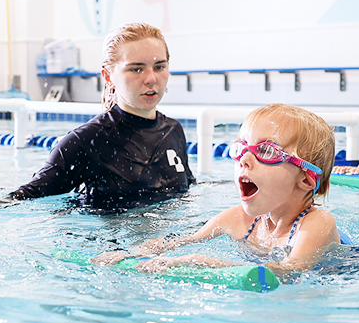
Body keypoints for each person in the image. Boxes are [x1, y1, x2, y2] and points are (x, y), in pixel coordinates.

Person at [96, 103, 341, 278]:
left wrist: (201, 262)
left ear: (306, 181)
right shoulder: (237, 219)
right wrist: (130, 255)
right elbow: (177, 241)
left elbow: (289, 272)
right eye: (242, 147)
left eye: (266, 151)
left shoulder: (317, 223)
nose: (244, 159)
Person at [0, 23, 194, 211]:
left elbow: (190, 189)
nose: (151, 79)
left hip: (169, 245)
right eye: (136, 69)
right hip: (111, 248)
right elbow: (27, 195)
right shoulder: (86, 141)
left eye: (159, 67)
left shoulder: (173, 130)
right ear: (108, 76)